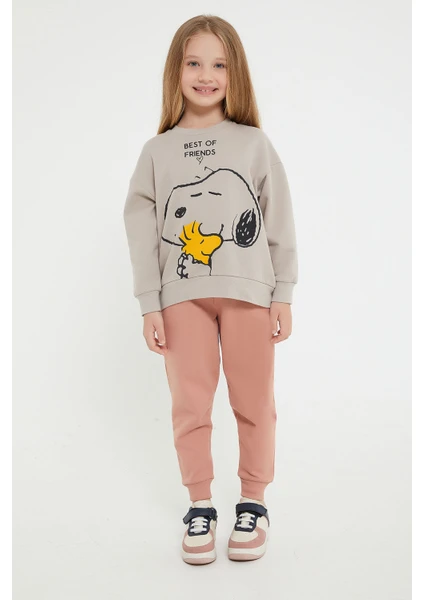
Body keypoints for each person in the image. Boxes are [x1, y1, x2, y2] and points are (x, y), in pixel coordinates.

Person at [123, 14, 298, 565]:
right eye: (194, 63)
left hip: (250, 292)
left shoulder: (254, 143)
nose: (206, 75)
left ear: (234, 72)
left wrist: (284, 291)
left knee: (255, 401)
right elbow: (142, 231)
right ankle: (200, 504)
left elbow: (278, 217)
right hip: (181, 296)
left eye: (219, 65)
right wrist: (149, 303)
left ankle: (253, 501)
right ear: (175, 72)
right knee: (190, 404)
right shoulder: (157, 152)